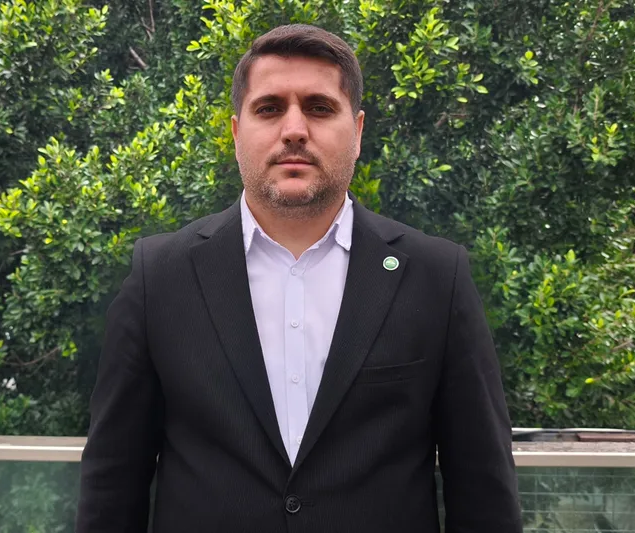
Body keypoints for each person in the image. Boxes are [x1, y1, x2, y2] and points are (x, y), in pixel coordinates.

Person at [76, 24, 522, 533]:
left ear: (357, 131)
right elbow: (113, 480)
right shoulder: (159, 276)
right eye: (269, 109)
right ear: (236, 133)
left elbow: (483, 489)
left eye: (319, 107)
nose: (294, 129)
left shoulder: (436, 277)